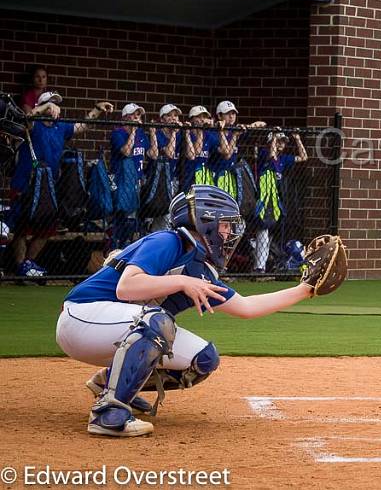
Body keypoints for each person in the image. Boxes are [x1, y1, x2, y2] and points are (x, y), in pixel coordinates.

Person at [55, 185, 325, 437]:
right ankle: (108, 415)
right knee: (159, 323)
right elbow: (126, 288)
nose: (229, 232)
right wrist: (183, 282)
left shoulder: (200, 269)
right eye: (224, 224)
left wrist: (306, 289)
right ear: (205, 222)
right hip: (82, 319)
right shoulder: (167, 241)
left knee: (204, 359)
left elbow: (246, 307)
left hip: (116, 328)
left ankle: (109, 385)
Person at [10, 92, 113, 277]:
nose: (54, 107)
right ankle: (19, 265)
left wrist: (97, 109)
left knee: (47, 228)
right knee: (21, 228)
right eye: (50, 104)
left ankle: (28, 263)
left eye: (56, 104)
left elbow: (82, 126)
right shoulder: (33, 124)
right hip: (26, 183)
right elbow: (25, 118)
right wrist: (42, 108)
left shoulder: (60, 127)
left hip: (48, 187)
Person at [253, 130, 308, 273]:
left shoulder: (283, 159)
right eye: (279, 141)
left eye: (283, 141)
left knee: (269, 235)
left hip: (275, 201)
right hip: (263, 200)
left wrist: (297, 139)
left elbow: (303, 157)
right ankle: (259, 268)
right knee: (263, 232)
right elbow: (271, 156)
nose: (282, 143)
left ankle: (264, 265)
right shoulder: (264, 154)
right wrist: (273, 140)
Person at [110, 104, 158, 249]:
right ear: (125, 117)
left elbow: (154, 155)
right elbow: (126, 151)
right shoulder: (117, 133)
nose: (137, 117)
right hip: (121, 180)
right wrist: (133, 132)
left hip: (137, 180)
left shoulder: (141, 134)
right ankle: (116, 245)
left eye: (139, 114)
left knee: (134, 217)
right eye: (134, 114)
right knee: (122, 215)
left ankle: (128, 245)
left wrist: (153, 133)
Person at [147, 104, 184, 233]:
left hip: (172, 179)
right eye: (169, 115)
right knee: (157, 213)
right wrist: (174, 133)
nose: (173, 118)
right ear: (162, 119)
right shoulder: (157, 133)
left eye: (175, 115)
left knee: (168, 215)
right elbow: (169, 153)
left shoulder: (182, 134)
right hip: (156, 181)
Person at [182, 105, 216, 192]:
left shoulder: (208, 135)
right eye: (198, 116)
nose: (202, 119)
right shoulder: (187, 133)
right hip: (189, 175)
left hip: (204, 177)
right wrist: (201, 130)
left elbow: (224, 150)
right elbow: (196, 153)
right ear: (192, 119)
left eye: (204, 117)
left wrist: (215, 127)